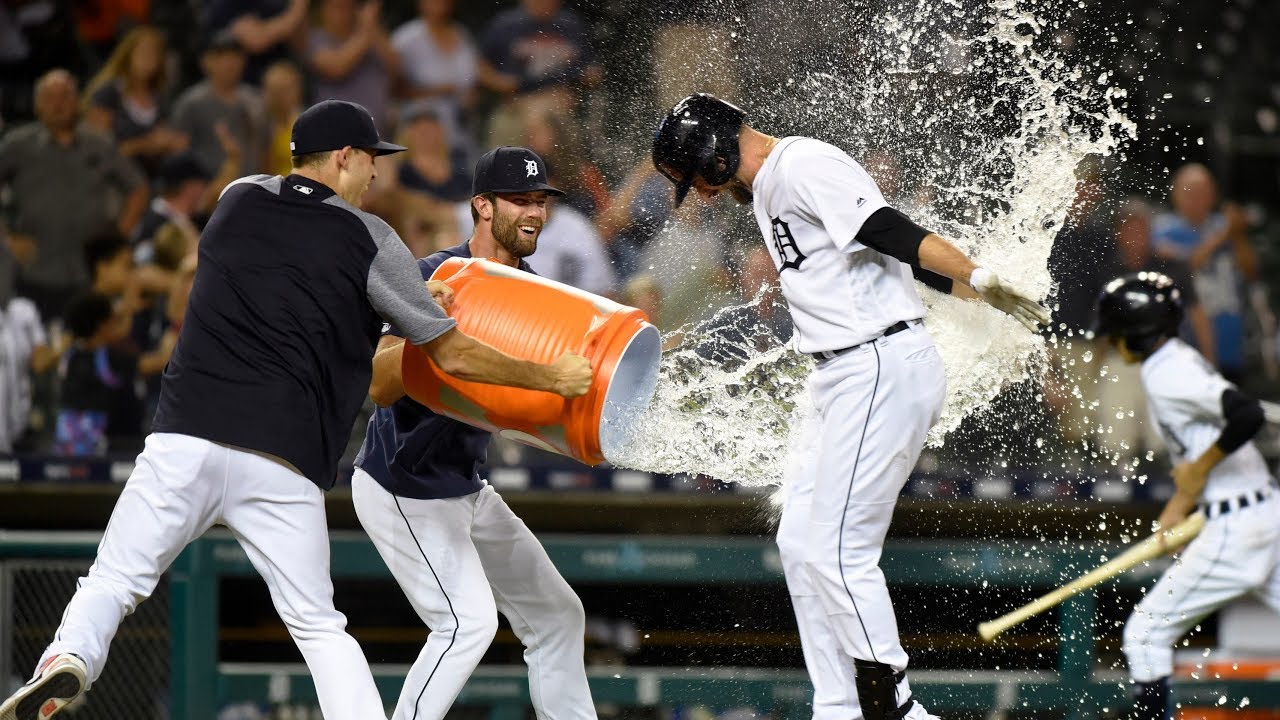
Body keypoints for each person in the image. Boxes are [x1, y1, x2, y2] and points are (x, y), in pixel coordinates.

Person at [0, 100, 592, 720]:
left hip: (185, 437)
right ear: (343, 157)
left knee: (112, 580)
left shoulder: (237, 198)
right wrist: (548, 374)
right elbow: (447, 351)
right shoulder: (373, 238)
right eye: (369, 160)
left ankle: (67, 658)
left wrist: (405, 299)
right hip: (283, 458)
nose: (375, 175)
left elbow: (288, 272)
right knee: (318, 627)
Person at [652, 93, 1049, 720]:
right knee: (800, 540)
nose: (699, 192)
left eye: (695, 176)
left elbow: (888, 230)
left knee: (839, 550)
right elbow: (879, 253)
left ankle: (895, 704)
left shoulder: (802, 164)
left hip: (876, 364)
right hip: (840, 373)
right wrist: (965, 285)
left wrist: (977, 275)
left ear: (714, 149)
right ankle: (838, 707)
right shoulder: (765, 190)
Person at [351, 146, 597, 720]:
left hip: (463, 485)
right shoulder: (434, 273)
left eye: (541, 201)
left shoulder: (540, 291)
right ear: (482, 206)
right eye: (519, 200)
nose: (534, 212)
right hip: (402, 485)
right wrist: (426, 330)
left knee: (559, 614)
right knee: (466, 623)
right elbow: (380, 387)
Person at [1091, 272, 1280, 720]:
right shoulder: (1174, 357)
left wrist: (1197, 472)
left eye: (1117, 335)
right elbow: (1200, 444)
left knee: (1144, 634)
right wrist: (1181, 501)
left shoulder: (1168, 374)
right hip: (1264, 512)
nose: (1113, 344)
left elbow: (1246, 415)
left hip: (1237, 530)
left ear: (1133, 335)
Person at [0, 69, 149, 320]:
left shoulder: (99, 144)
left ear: (78, 101)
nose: (59, 104)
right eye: (51, 97)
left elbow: (138, 188)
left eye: (66, 96)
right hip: (35, 271)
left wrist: (116, 241)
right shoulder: (18, 146)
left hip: (87, 273)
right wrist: (5, 239)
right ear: (37, 105)